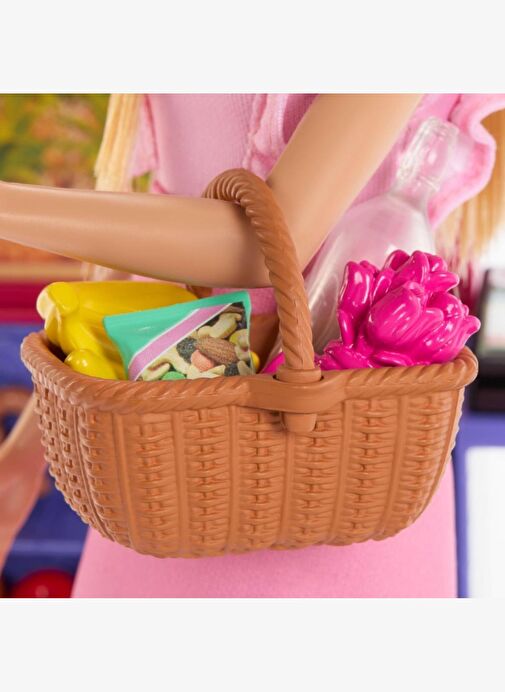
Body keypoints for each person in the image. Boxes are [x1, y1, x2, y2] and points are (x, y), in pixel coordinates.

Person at [1, 93, 504, 596]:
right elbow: (154, 234)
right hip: (153, 465)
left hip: (339, 481)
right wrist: (25, 454)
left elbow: (265, 242)